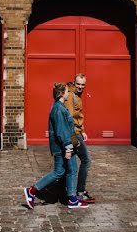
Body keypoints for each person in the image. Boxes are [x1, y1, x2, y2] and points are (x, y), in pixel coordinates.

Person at [23, 83, 89, 209]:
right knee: (60, 171)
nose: (69, 93)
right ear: (62, 93)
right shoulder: (58, 109)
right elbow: (61, 131)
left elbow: (69, 129)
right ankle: (32, 191)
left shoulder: (61, 107)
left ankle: (72, 199)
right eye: (67, 91)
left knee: (70, 170)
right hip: (62, 148)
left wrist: (75, 143)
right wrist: (68, 148)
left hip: (67, 145)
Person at [64, 73, 95, 203]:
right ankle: (80, 192)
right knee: (86, 160)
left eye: (83, 85)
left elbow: (78, 115)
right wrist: (73, 140)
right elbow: (70, 118)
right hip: (73, 134)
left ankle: (71, 192)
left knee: (70, 166)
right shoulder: (71, 95)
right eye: (78, 84)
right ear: (74, 82)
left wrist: (83, 130)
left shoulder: (77, 94)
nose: (81, 87)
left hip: (77, 132)